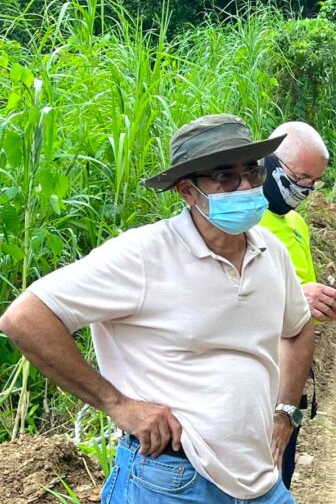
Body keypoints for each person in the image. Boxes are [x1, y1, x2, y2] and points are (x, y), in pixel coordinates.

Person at [0, 114, 314, 503]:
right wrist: (118, 405)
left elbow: (299, 326)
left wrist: (284, 413)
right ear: (187, 190)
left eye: (252, 171)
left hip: (259, 479)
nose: (247, 186)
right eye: (226, 177)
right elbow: (24, 318)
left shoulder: (272, 252)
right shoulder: (144, 256)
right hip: (170, 478)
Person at [259, 120, 336, 489]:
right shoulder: (238, 221)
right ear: (269, 163)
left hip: (289, 382)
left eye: (314, 183)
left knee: (281, 476)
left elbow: (300, 305)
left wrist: (321, 304)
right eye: (299, 178)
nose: (306, 190)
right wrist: (297, 297)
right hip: (256, 377)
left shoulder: (296, 222)